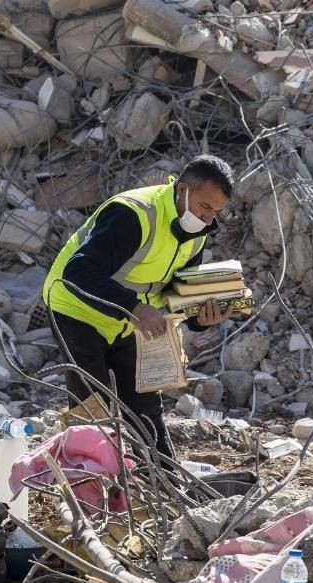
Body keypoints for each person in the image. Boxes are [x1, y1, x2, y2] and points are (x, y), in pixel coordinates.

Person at [43, 155, 239, 459]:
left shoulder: (198, 234)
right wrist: (134, 307)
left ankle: (165, 488)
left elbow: (175, 292)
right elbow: (77, 274)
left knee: (144, 409)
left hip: (128, 319)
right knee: (91, 410)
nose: (209, 219)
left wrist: (201, 317)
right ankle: (89, 490)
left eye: (216, 212)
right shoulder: (135, 214)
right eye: (205, 207)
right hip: (76, 309)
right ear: (182, 190)